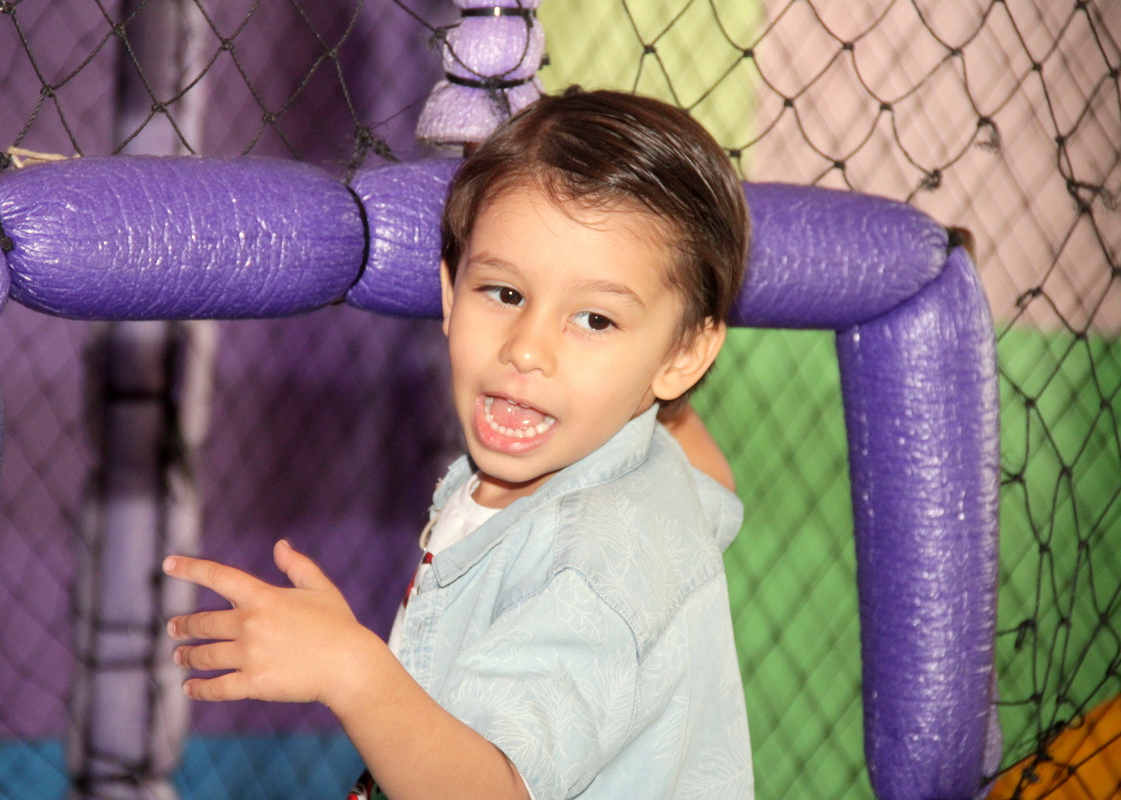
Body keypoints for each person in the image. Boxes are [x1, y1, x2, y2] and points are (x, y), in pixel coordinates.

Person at [163, 87, 753, 800]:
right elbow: (710, 474)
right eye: (504, 293)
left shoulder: (591, 569)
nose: (527, 349)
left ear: (683, 358)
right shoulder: (652, 464)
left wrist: (351, 669)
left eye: (594, 319)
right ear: (451, 293)